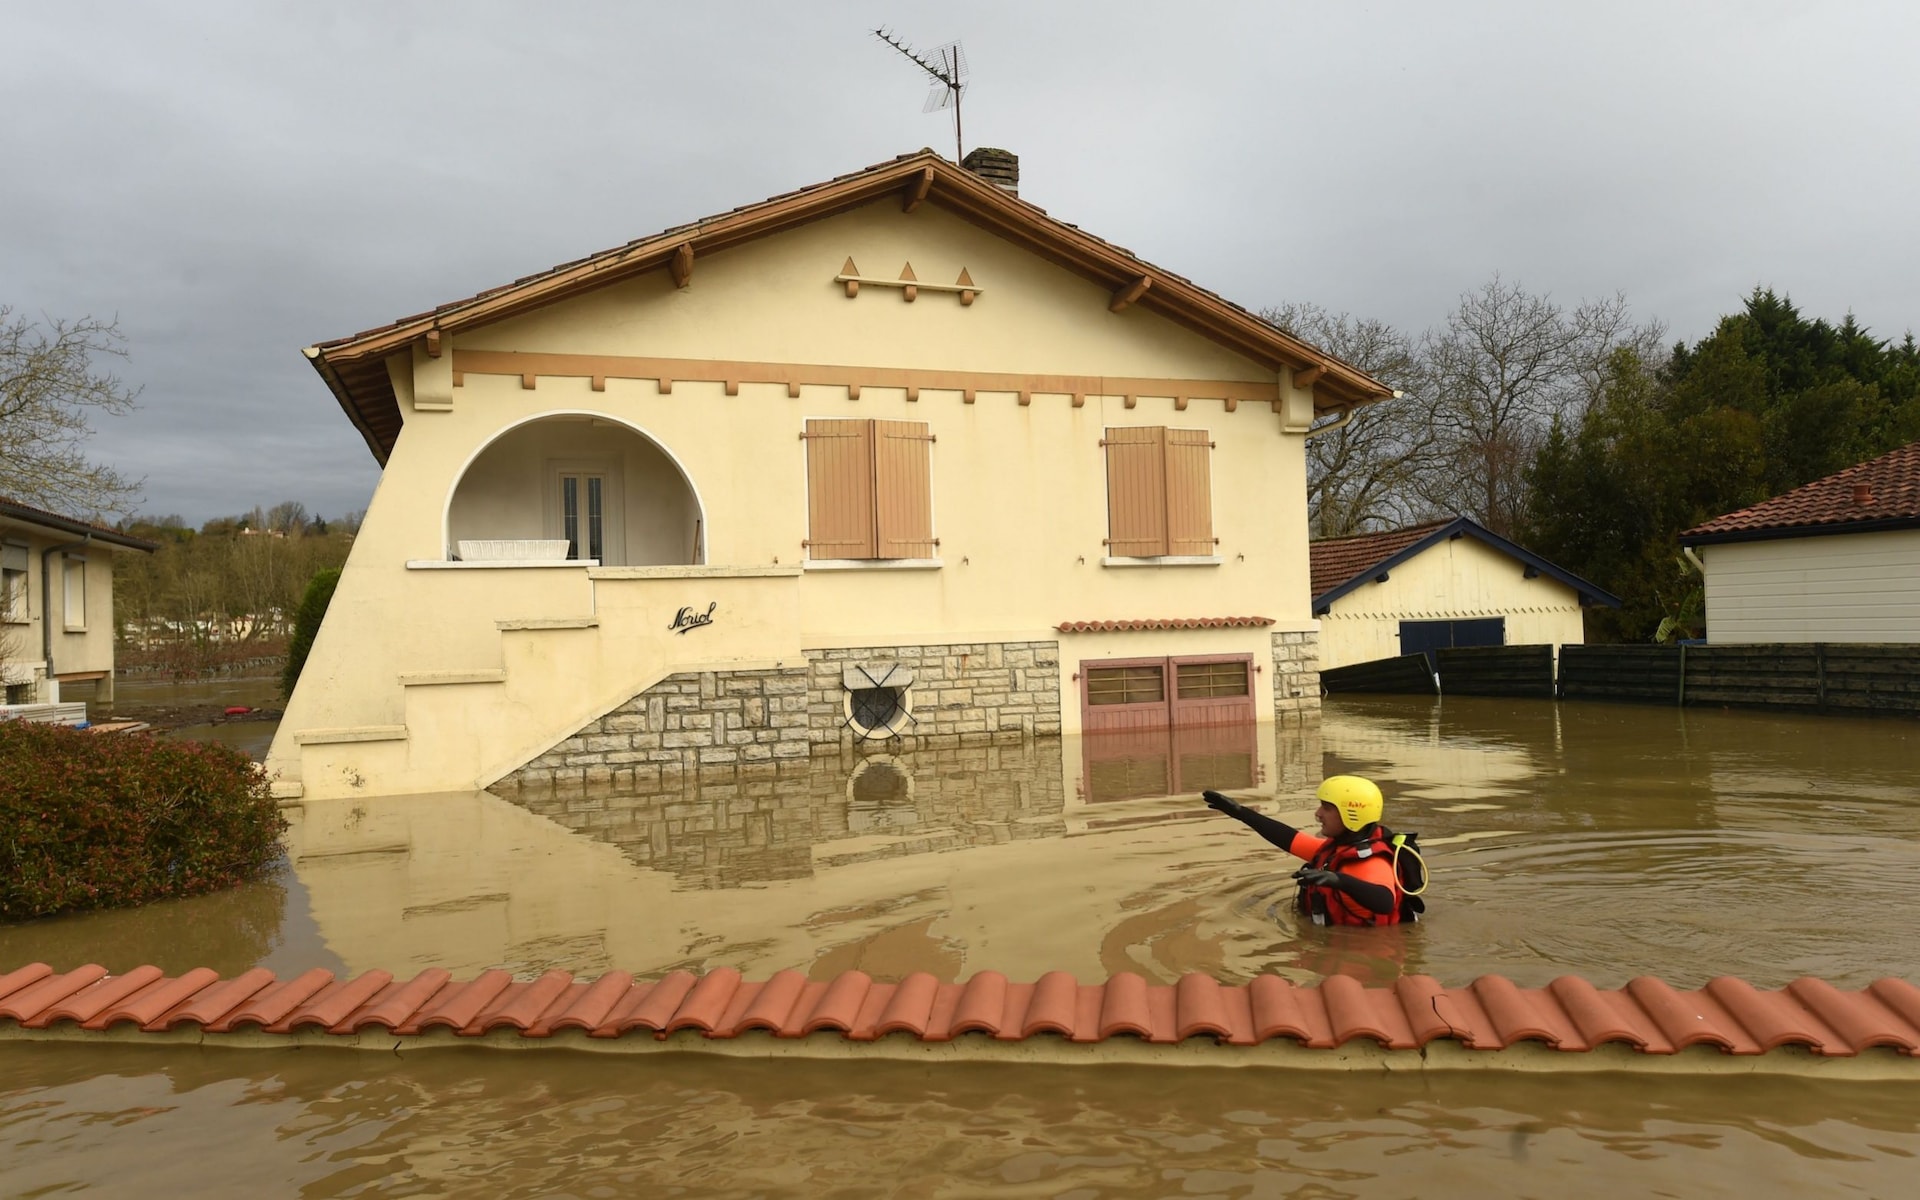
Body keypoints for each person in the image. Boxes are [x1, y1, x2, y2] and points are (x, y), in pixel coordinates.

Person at [1202, 775, 1421, 926]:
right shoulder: (1338, 849)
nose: (1318, 814)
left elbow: (1385, 902)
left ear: (1351, 814)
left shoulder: (1370, 864)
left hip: (1366, 952)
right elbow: (1289, 839)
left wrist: (1339, 880)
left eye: (1326, 808)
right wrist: (1241, 813)